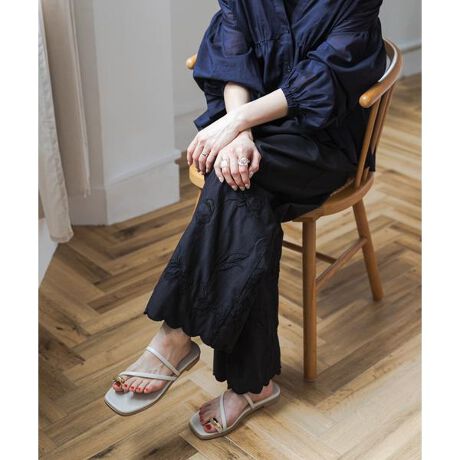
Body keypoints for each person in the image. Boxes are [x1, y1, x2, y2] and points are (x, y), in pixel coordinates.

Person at [108, 0, 387, 438]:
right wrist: (240, 134)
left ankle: (178, 339)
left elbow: (322, 81)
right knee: (242, 184)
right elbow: (233, 59)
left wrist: (233, 123)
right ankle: (252, 385)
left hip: (323, 140)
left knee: (236, 181)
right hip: (257, 130)